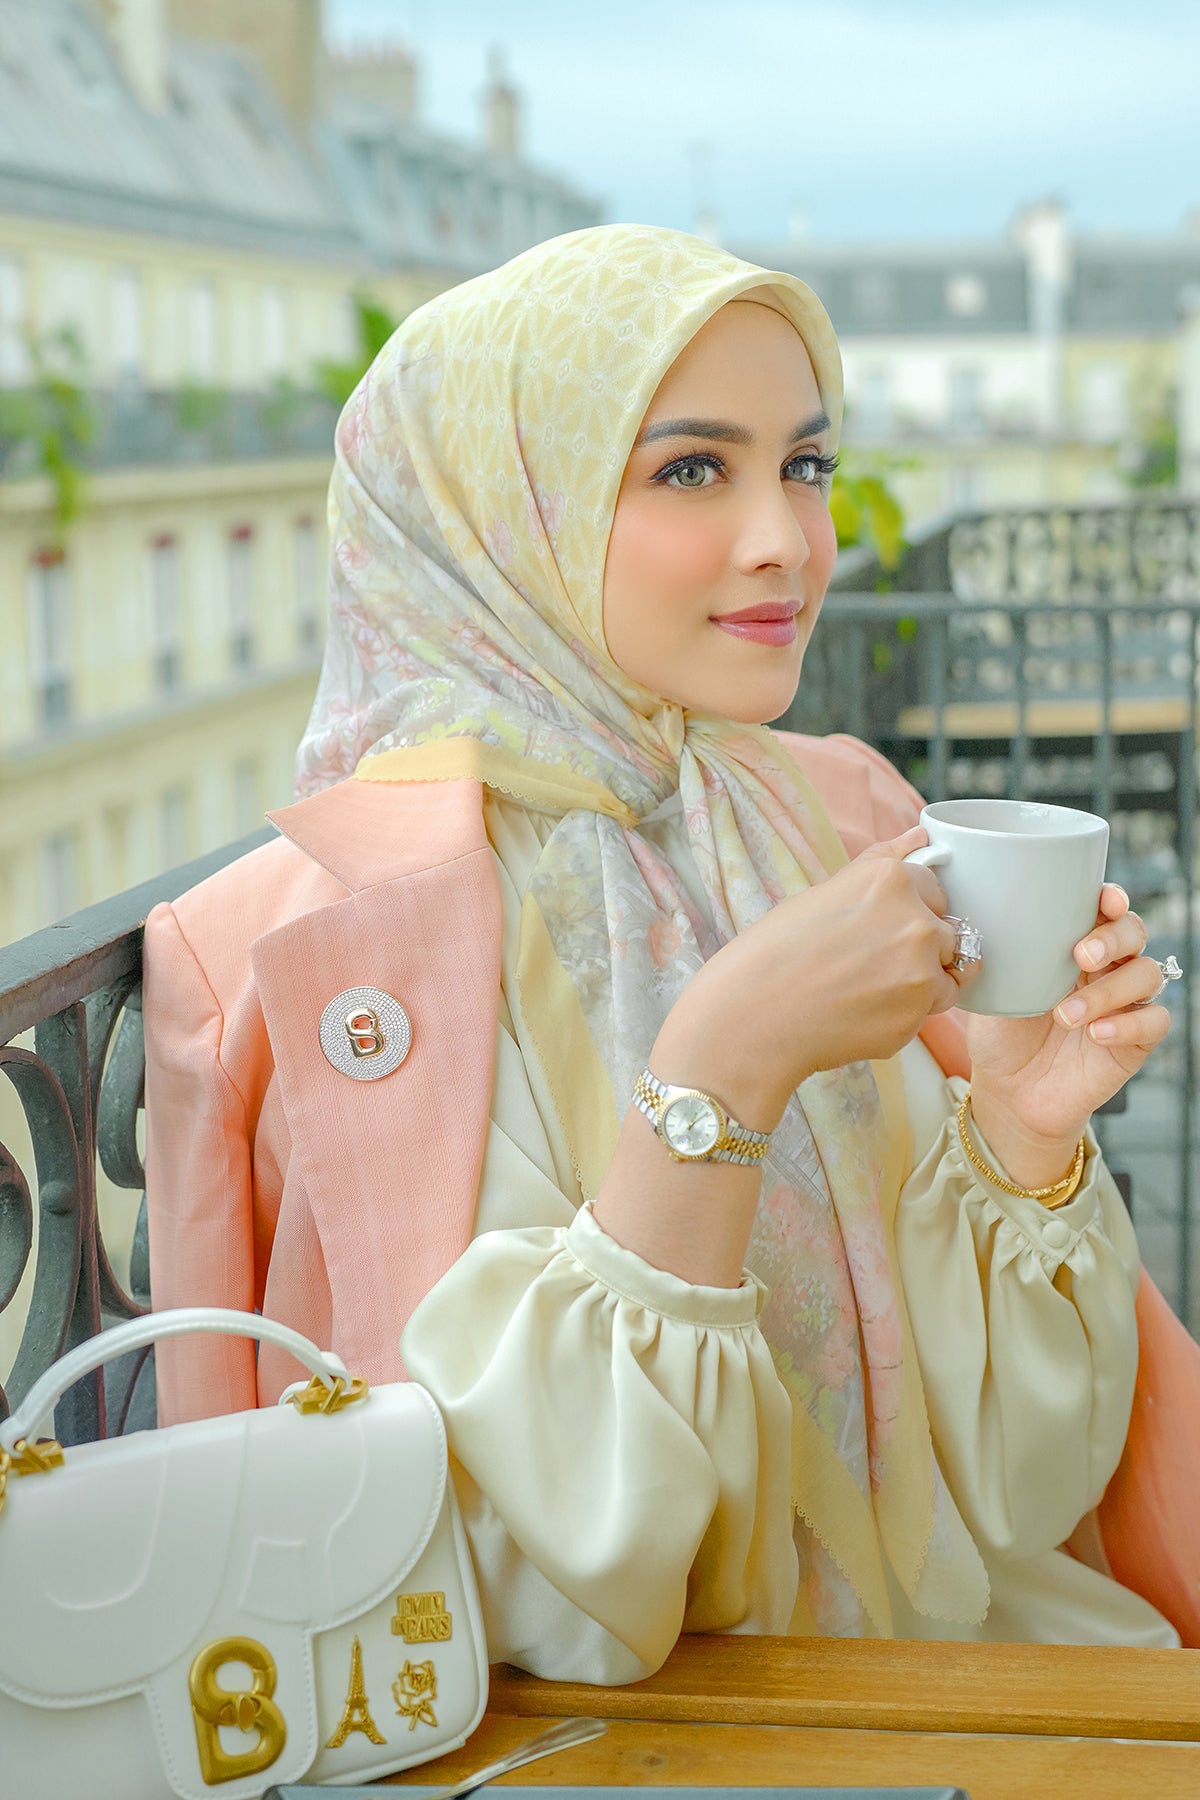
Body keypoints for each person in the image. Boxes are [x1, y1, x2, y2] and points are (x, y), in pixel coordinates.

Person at [143, 224, 1184, 1676]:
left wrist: (1022, 1131)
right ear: (500, 509)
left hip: (965, 1691)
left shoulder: (826, 816)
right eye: (692, 469)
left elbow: (1014, 1494)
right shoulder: (315, 949)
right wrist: (725, 1065)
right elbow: (495, 1596)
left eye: (805, 464)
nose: (787, 539)